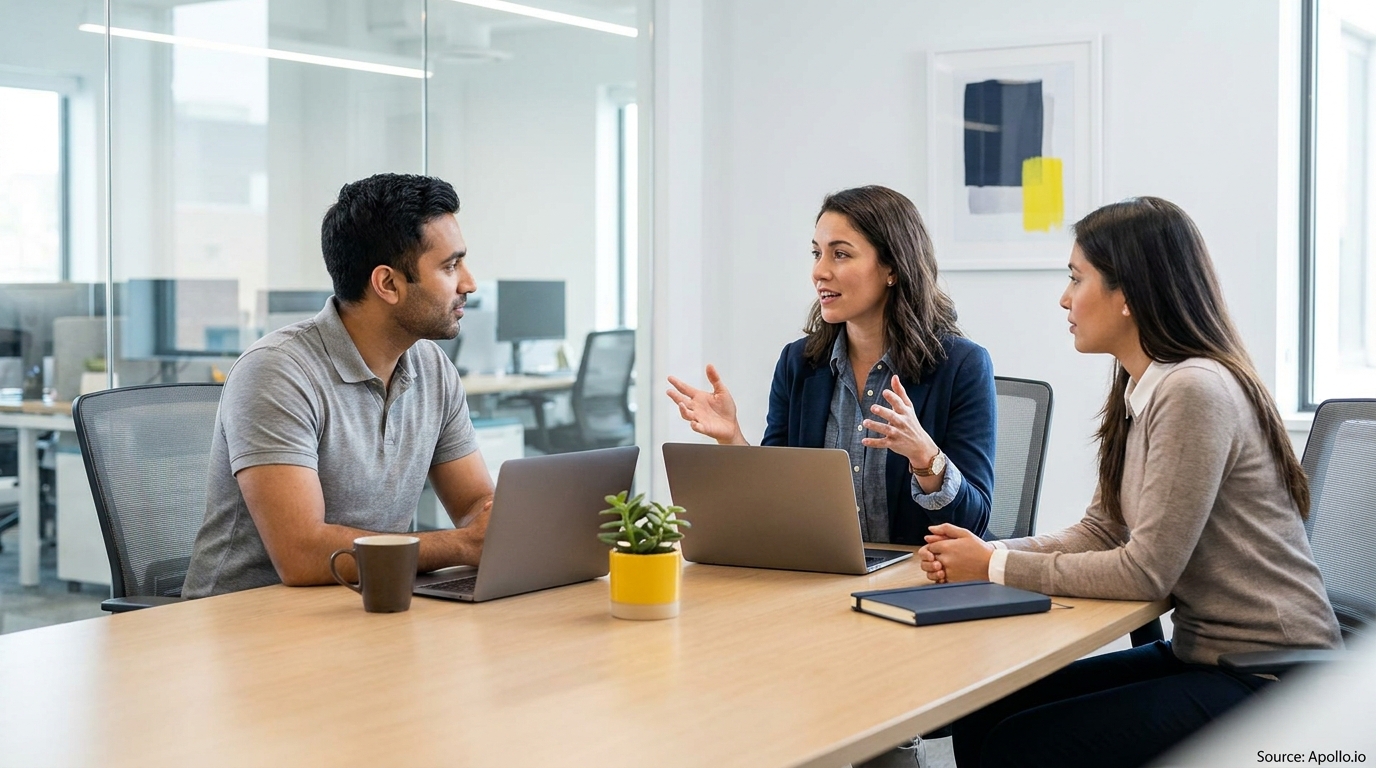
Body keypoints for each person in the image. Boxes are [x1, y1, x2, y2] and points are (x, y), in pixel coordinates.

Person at [917, 197, 1344, 768]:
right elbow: (1103, 527)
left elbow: (1146, 571)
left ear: (1129, 295)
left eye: (1077, 278)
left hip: (1270, 677)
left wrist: (993, 567)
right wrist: (987, 551)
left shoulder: (1194, 390)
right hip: (1205, 655)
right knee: (985, 707)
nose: (1064, 298)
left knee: (1022, 745)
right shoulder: (1141, 384)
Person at [182, 174, 493, 597]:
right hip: (248, 622)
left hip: (366, 601)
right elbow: (302, 554)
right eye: (450, 266)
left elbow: (476, 505)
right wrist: (460, 545)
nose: (469, 283)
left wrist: (495, 526)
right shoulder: (277, 371)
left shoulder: (432, 367)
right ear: (387, 284)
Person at [667, 185, 995, 544]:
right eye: (816, 253)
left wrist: (924, 455)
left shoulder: (962, 365)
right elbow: (777, 501)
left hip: (918, 580)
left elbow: (973, 523)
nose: (819, 272)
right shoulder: (799, 363)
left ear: (892, 268)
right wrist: (732, 438)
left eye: (840, 254)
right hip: (820, 574)